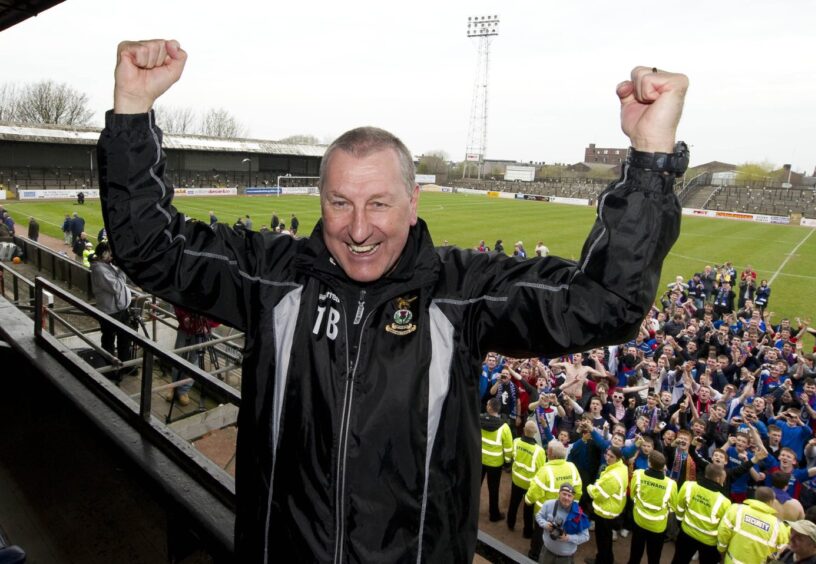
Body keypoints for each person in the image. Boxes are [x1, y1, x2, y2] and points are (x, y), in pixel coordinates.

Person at [100, 39, 686, 562]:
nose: (358, 228)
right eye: (339, 203)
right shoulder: (274, 278)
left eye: (378, 203)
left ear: (413, 203)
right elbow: (151, 248)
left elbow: (605, 302)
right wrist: (132, 111)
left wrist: (651, 160)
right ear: (320, 202)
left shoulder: (460, 294)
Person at [525, 440, 583, 560]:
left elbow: (534, 492)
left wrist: (528, 500)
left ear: (551, 453)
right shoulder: (572, 467)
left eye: (548, 450)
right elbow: (578, 490)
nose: (546, 451)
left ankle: (534, 555)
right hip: (565, 512)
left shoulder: (545, 470)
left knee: (539, 534)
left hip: (545, 513)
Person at [671, 463, 730, 564]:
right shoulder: (725, 502)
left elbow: (679, 508)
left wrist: (681, 524)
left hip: (686, 534)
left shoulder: (688, 486)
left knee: (679, 560)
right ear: (718, 479)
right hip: (709, 542)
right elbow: (723, 527)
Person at [89, 241, 133, 379]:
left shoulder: (106, 266)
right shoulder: (99, 270)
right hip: (111, 313)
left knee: (124, 339)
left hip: (121, 310)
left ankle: (124, 367)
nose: (113, 255)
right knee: (108, 341)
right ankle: (110, 370)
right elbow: (117, 288)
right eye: (110, 252)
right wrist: (122, 270)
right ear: (104, 254)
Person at [627, 450, 677, 564]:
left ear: (649, 463)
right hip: (658, 526)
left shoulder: (638, 474)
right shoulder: (671, 484)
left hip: (639, 520)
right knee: (654, 557)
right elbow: (673, 506)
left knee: (635, 554)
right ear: (663, 466)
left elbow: (633, 495)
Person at [716, 487, 788, 564]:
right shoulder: (779, 526)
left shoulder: (736, 510)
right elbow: (782, 551)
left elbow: (723, 532)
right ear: (771, 501)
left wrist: (721, 550)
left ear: (755, 497)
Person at [585, 445, 628, 564]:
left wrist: (590, 487)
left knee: (602, 540)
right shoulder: (622, 468)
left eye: (611, 456)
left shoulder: (612, 476)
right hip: (612, 509)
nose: (607, 458)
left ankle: (601, 561)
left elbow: (598, 495)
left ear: (618, 458)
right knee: (607, 539)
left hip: (605, 512)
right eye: (607, 454)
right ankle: (608, 560)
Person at [508, 420, 547, 538]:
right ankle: (527, 531)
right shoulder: (539, 451)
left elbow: (512, 456)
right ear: (535, 433)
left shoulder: (516, 442)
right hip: (530, 483)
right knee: (528, 508)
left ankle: (510, 523)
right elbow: (541, 469)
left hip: (516, 479)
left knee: (513, 503)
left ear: (524, 429)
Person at [534, 483, 590, 564]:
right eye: (564, 494)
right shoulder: (548, 504)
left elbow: (585, 536)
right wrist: (545, 524)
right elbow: (539, 516)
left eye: (569, 495)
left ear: (573, 498)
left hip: (565, 558)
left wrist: (568, 538)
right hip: (547, 551)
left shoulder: (578, 514)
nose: (566, 498)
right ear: (559, 493)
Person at [480, 397, 513, 522]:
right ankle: (494, 515)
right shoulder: (504, 427)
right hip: (495, 464)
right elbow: (508, 447)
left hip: (480, 460)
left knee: (475, 487)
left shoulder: (480, 420)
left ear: (489, 407)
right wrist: (507, 461)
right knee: (493, 490)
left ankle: (468, 510)